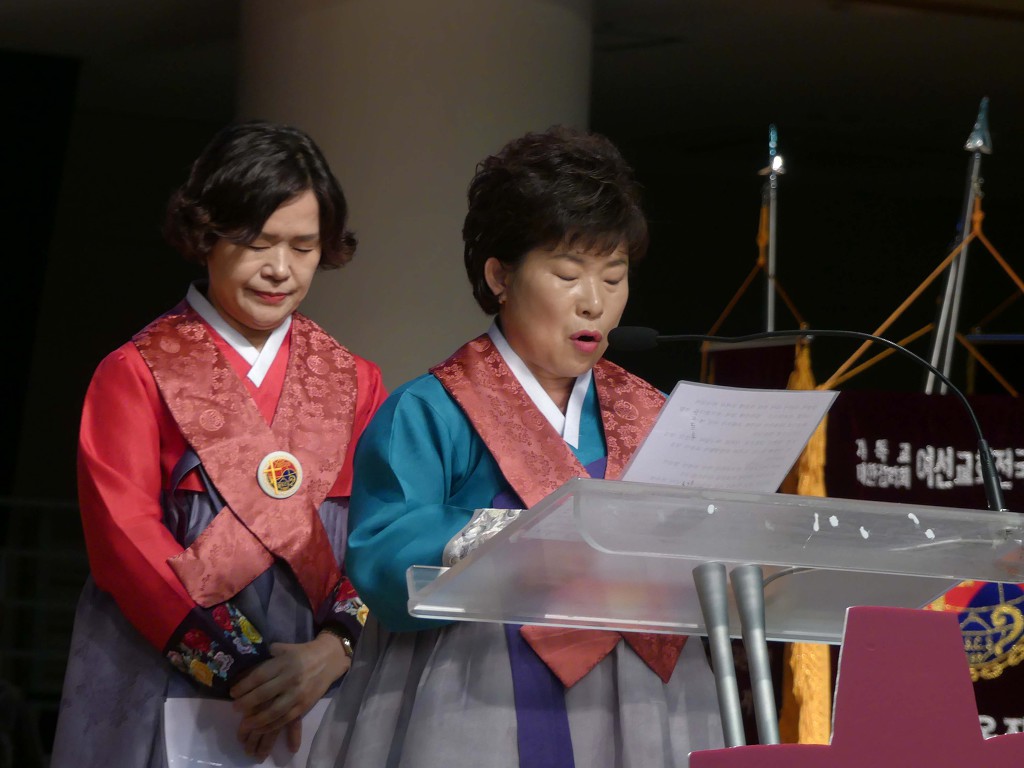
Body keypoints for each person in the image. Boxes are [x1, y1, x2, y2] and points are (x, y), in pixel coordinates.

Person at [308, 127, 721, 767]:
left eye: (614, 278)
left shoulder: (653, 414)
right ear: (500, 275)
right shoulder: (432, 410)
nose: (595, 302)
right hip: (478, 685)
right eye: (567, 274)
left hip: (640, 691)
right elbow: (383, 555)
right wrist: (520, 539)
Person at [50, 121, 386, 767]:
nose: (280, 270)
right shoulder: (137, 373)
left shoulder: (356, 382)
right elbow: (125, 545)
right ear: (206, 235)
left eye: (304, 247)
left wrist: (334, 649)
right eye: (257, 243)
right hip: (164, 663)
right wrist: (244, 671)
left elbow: (377, 531)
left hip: (315, 677)